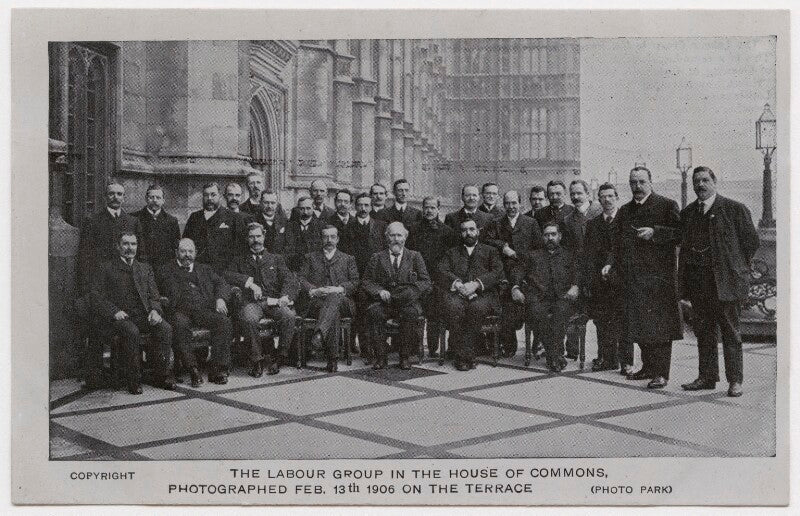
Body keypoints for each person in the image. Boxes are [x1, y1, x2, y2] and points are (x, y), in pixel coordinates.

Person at [679, 166, 759, 397]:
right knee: (704, 332)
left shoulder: (734, 209)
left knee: (730, 333)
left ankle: (735, 381)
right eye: (696, 182)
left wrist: (734, 268)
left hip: (725, 284)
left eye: (705, 180)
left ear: (715, 182)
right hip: (699, 284)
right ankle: (707, 377)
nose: (700, 185)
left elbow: (750, 243)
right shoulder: (689, 213)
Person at [603, 166, 682, 389]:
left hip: (659, 280)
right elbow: (615, 243)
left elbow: (680, 234)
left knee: (660, 327)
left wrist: (656, 232)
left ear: (650, 181)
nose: (637, 187)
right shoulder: (625, 211)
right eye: (633, 183)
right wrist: (609, 263)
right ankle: (647, 368)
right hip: (633, 279)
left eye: (641, 182)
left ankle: (661, 373)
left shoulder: (667, 205)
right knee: (639, 323)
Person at [91, 232, 174, 394]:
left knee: (165, 328)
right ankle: (133, 380)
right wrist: (114, 311)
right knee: (131, 331)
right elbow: (96, 296)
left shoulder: (144, 268)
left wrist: (155, 311)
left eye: (133, 244)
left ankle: (161, 376)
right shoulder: (106, 267)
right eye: (126, 244)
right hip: (118, 318)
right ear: (118, 246)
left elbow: (154, 295)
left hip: (142, 315)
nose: (130, 248)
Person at [225, 223, 298, 377]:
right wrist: (249, 284)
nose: (255, 240)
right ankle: (256, 360)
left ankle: (280, 357)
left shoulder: (276, 259)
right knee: (249, 318)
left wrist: (285, 296)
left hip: (273, 301)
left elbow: (289, 279)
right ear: (247, 239)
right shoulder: (239, 259)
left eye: (258, 236)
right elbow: (227, 275)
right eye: (251, 237)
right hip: (250, 302)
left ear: (264, 237)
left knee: (289, 316)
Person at [158, 238, 233, 387]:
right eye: (183, 251)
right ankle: (193, 369)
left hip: (203, 310)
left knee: (223, 322)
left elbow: (222, 283)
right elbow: (155, 292)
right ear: (176, 252)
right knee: (179, 324)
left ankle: (217, 369)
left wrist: (220, 299)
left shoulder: (205, 269)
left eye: (190, 251)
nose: (187, 255)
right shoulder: (165, 270)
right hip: (179, 311)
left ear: (196, 253)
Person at [362, 222, 432, 370]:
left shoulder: (414, 256)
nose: (396, 239)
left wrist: (412, 292)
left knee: (410, 313)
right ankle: (381, 357)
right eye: (392, 235)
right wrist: (379, 291)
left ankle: (404, 357)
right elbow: (367, 281)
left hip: (407, 302)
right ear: (387, 237)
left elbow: (425, 281)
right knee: (374, 313)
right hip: (385, 302)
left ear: (405, 238)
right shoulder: (377, 257)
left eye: (399, 235)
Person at [511, 222, 580, 372]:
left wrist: (576, 286)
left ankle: (551, 354)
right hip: (538, 297)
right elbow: (518, 271)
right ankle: (555, 356)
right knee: (536, 312)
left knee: (560, 313)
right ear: (542, 237)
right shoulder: (533, 255)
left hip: (562, 297)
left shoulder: (569, 254)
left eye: (553, 234)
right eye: (546, 235)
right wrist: (515, 287)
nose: (550, 238)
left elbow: (578, 274)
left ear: (560, 236)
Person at [483, 190, 543, 357]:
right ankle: (508, 344)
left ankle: (537, 343)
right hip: (503, 273)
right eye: (507, 203)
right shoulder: (496, 223)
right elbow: (486, 240)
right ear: (503, 205)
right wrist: (504, 247)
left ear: (520, 204)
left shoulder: (530, 223)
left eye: (514, 203)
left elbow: (538, 248)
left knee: (529, 306)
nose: (511, 207)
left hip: (527, 274)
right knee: (505, 308)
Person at [438, 219, 504, 370]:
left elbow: (497, 272)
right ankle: (466, 356)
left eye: (471, 229)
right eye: (464, 230)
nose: (468, 233)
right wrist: (459, 285)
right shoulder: (451, 252)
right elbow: (442, 271)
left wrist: (476, 284)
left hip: (483, 294)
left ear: (478, 231)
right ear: (460, 233)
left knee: (477, 309)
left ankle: (463, 356)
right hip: (458, 294)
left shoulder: (490, 251)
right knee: (454, 308)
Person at [584, 183, 633, 373]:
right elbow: (588, 255)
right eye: (603, 197)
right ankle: (607, 359)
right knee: (602, 321)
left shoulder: (625, 220)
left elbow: (627, 250)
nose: (607, 200)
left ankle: (626, 361)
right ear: (598, 199)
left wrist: (612, 265)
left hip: (621, 280)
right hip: (600, 282)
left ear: (617, 197)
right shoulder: (593, 224)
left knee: (624, 321)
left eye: (610, 196)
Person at [298, 225, 360, 372]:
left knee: (334, 298)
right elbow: (300, 279)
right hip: (317, 303)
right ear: (321, 239)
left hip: (343, 302)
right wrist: (314, 290)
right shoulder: (310, 258)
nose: (329, 240)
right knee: (333, 313)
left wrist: (339, 289)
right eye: (325, 237)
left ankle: (319, 334)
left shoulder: (348, 259)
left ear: (337, 239)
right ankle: (332, 359)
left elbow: (355, 282)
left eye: (332, 237)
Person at [406, 196, 459, 358]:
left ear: (438, 209)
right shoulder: (413, 229)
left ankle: (433, 347)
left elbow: (451, 257)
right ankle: (415, 346)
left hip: (438, 279)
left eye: (432, 208)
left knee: (435, 315)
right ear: (422, 209)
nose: (429, 211)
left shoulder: (447, 231)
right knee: (417, 313)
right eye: (426, 208)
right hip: (417, 279)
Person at [560, 179, 603, 360]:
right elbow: (568, 252)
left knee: (603, 317)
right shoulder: (568, 220)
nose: (576, 197)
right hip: (578, 273)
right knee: (573, 311)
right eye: (573, 193)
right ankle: (572, 350)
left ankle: (605, 356)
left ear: (588, 194)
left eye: (579, 193)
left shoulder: (599, 212)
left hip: (600, 273)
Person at [347, 192, 388, 362]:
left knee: (374, 312)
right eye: (360, 205)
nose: (363, 209)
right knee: (359, 313)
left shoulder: (381, 226)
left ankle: (376, 347)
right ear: (355, 206)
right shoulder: (348, 227)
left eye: (366, 205)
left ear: (371, 207)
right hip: (355, 277)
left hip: (375, 279)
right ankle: (362, 348)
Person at [78, 182, 140, 293]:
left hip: (126, 278)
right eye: (111, 194)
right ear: (105, 197)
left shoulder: (133, 221)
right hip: (101, 279)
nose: (115, 197)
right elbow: (85, 254)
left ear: (124, 198)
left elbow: (139, 253)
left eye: (119, 194)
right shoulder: (92, 221)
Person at [182, 182, 248, 273]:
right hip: (198, 273)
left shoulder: (234, 218)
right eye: (206, 195)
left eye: (213, 195)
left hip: (224, 273)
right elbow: (186, 244)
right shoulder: (194, 217)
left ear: (220, 196)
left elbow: (241, 249)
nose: (209, 198)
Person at [132, 184, 181, 269]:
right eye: (151, 197)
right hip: (141, 266)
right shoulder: (134, 218)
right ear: (146, 199)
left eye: (158, 198)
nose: (155, 200)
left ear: (163, 200)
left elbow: (175, 246)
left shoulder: (172, 221)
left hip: (165, 267)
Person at [283, 196, 325, 271]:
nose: (305, 212)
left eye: (308, 208)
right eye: (302, 209)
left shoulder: (321, 227)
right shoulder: (289, 226)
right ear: (298, 209)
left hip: (315, 269)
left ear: (313, 208)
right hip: (294, 268)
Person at [252, 189, 288, 254]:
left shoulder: (285, 221)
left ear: (277, 204)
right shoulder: (252, 220)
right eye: (266, 203)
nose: (270, 206)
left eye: (273, 203)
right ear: (260, 203)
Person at [329, 189, 354, 254]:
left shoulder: (356, 222)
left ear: (351, 204)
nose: (342, 204)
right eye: (339, 201)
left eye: (346, 202)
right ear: (335, 202)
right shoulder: (328, 221)